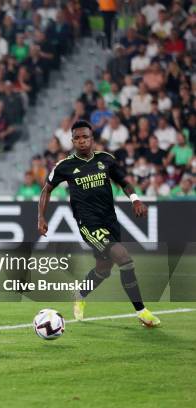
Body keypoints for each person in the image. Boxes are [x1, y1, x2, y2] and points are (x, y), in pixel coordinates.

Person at [37, 120, 160, 327]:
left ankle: (80, 295)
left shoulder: (106, 160)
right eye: (77, 138)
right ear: (72, 141)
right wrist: (41, 216)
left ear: (92, 139)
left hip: (110, 221)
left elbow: (124, 182)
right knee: (125, 259)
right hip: (89, 224)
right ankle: (142, 311)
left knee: (103, 269)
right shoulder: (65, 166)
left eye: (85, 137)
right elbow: (46, 189)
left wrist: (135, 199)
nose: (82, 141)